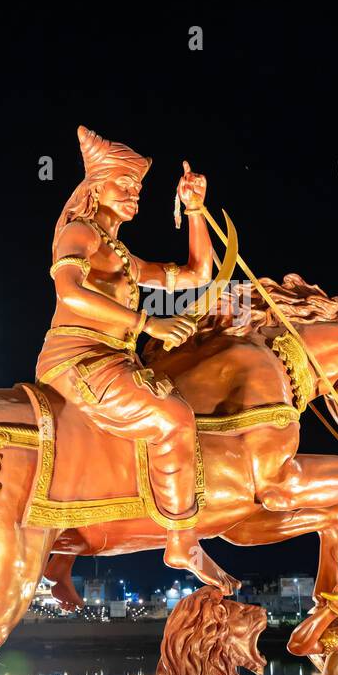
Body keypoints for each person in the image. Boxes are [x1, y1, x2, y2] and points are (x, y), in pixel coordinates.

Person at [36, 125, 238, 591]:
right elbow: (69, 290)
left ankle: (64, 554)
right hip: (79, 359)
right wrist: (147, 323)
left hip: (113, 361)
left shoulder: (123, 255)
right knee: (172, 420)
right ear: (95, 187)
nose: (134, 195)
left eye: (139, 188)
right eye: (124, 185)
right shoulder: (79, 234)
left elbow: (196, 274)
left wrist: (194, 210)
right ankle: (182, 540)